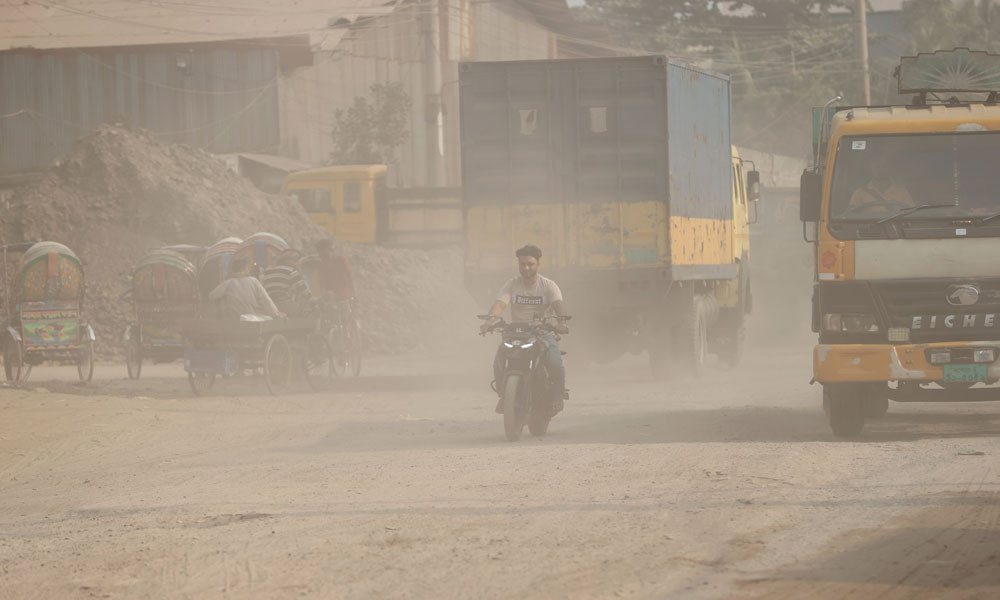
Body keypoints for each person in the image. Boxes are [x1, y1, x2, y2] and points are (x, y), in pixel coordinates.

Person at [480, 245, 568, 414]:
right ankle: (504, 397)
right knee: (499, 360)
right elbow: (500, 304)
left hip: (542, 333)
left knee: (554, 362)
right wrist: (489, 321)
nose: (526, 268)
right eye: (522, 264)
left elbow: (558, 305)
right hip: (516, 332)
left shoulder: (548, 285)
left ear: (538, 264)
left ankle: (557, 395)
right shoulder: (512, 285)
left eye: (530, 264)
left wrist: (561, 323)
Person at [208, 258, 283, 322]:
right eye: (248, 268)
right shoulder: (253, 281)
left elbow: (211, 296)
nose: (249, 271)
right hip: (251, 320)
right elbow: (266, 300)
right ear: (244, 268)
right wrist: (276, 315)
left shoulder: (227, 283)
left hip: (233, 320)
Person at [314, 239, 357, 325]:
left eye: (325, 254)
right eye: (321, 254)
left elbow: (350, 278)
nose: (323, 256)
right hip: (331, 297)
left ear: (331, 250)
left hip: (344, 294)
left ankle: (348, 332)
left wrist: (355, 295)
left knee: (346, 317)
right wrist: (323, 296)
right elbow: (321, 284)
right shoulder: (321, 265)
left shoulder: (341, 260)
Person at [261, 250, 310, 316]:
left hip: (269, 306)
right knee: (305, 312)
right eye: (296, 261)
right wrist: (314, 302)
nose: (297, 264)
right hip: (285, 306)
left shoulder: (267, 271)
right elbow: (304, 291)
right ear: (292, 261)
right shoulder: (291, 271)